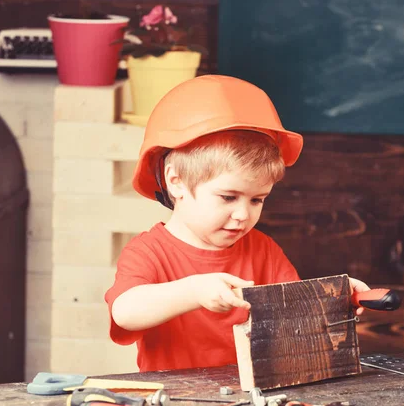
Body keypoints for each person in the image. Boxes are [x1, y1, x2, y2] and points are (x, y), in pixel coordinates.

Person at [104, 74, 370, 372]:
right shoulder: (149, 252)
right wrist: (193, 291)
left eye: (257, 200)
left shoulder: (263, 250)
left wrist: (335, 298)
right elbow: (124, 313)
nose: (244, 214)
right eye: (228, 197)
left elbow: (295, 312)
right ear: (175, 182)